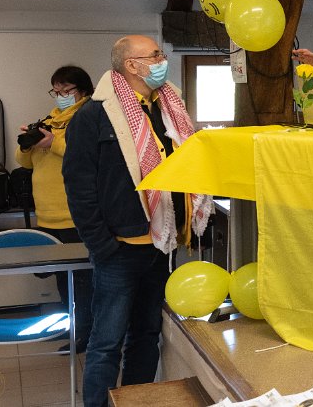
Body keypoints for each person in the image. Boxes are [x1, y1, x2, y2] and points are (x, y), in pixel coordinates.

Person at [62, 35, 213, 407]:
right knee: (106, 343)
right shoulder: (94, 115)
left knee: (146, 337)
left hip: (160, 246)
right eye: (155, 55)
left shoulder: (168, 107)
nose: (163, 60)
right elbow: (79, 186)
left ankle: (136, 402)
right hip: (118, 250)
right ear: (131, 65)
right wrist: (102, 245)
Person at [15, 65, 94, 353]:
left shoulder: (89, 117)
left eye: (66, 90)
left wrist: (53, 142)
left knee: (83, 281)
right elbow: (24, 162)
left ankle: (87, 334)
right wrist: (29, 143)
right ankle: (67, 329)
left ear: (82, 91)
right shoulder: (49, 120)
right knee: (62, 278)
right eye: (56, 90)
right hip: (47, 215)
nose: (60, 95)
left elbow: (88, 154)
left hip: (75, 215)